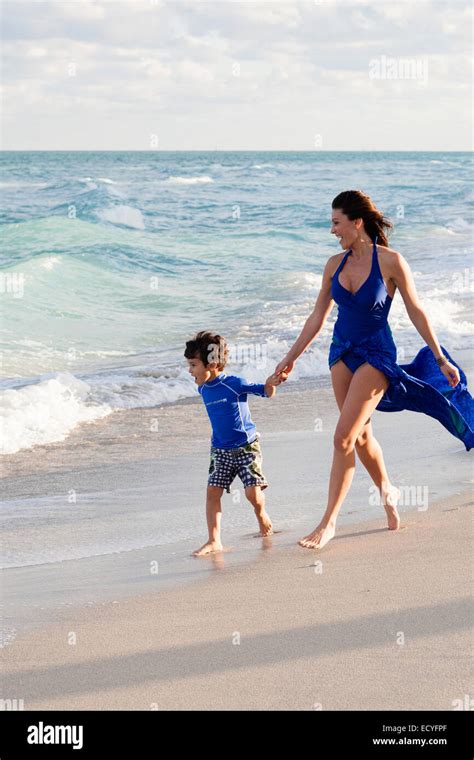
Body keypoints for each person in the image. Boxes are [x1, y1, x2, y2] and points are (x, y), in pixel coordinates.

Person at [275, 190, 473, 551]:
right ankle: (388, 492)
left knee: (342, 438)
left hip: (376, 355)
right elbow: (317, 317)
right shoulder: (334, 264)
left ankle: (329, 522)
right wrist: (290, 358)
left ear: (357, 221)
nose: (332, 230)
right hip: (341, 354)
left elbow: (416, 311)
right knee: (361, 436)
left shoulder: (392, 261)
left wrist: (440, 357)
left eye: (336, 222)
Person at [185, 330, 286, 556]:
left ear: (211, 364)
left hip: (246, 446)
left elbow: (266, 392)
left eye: (193, 365)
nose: (189, 371)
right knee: (212, 492)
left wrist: (272, 383)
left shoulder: (235, 383)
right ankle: (214, 540)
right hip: (220, 449)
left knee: (252, 494)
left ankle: (261, 514)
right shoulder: (202, 388)